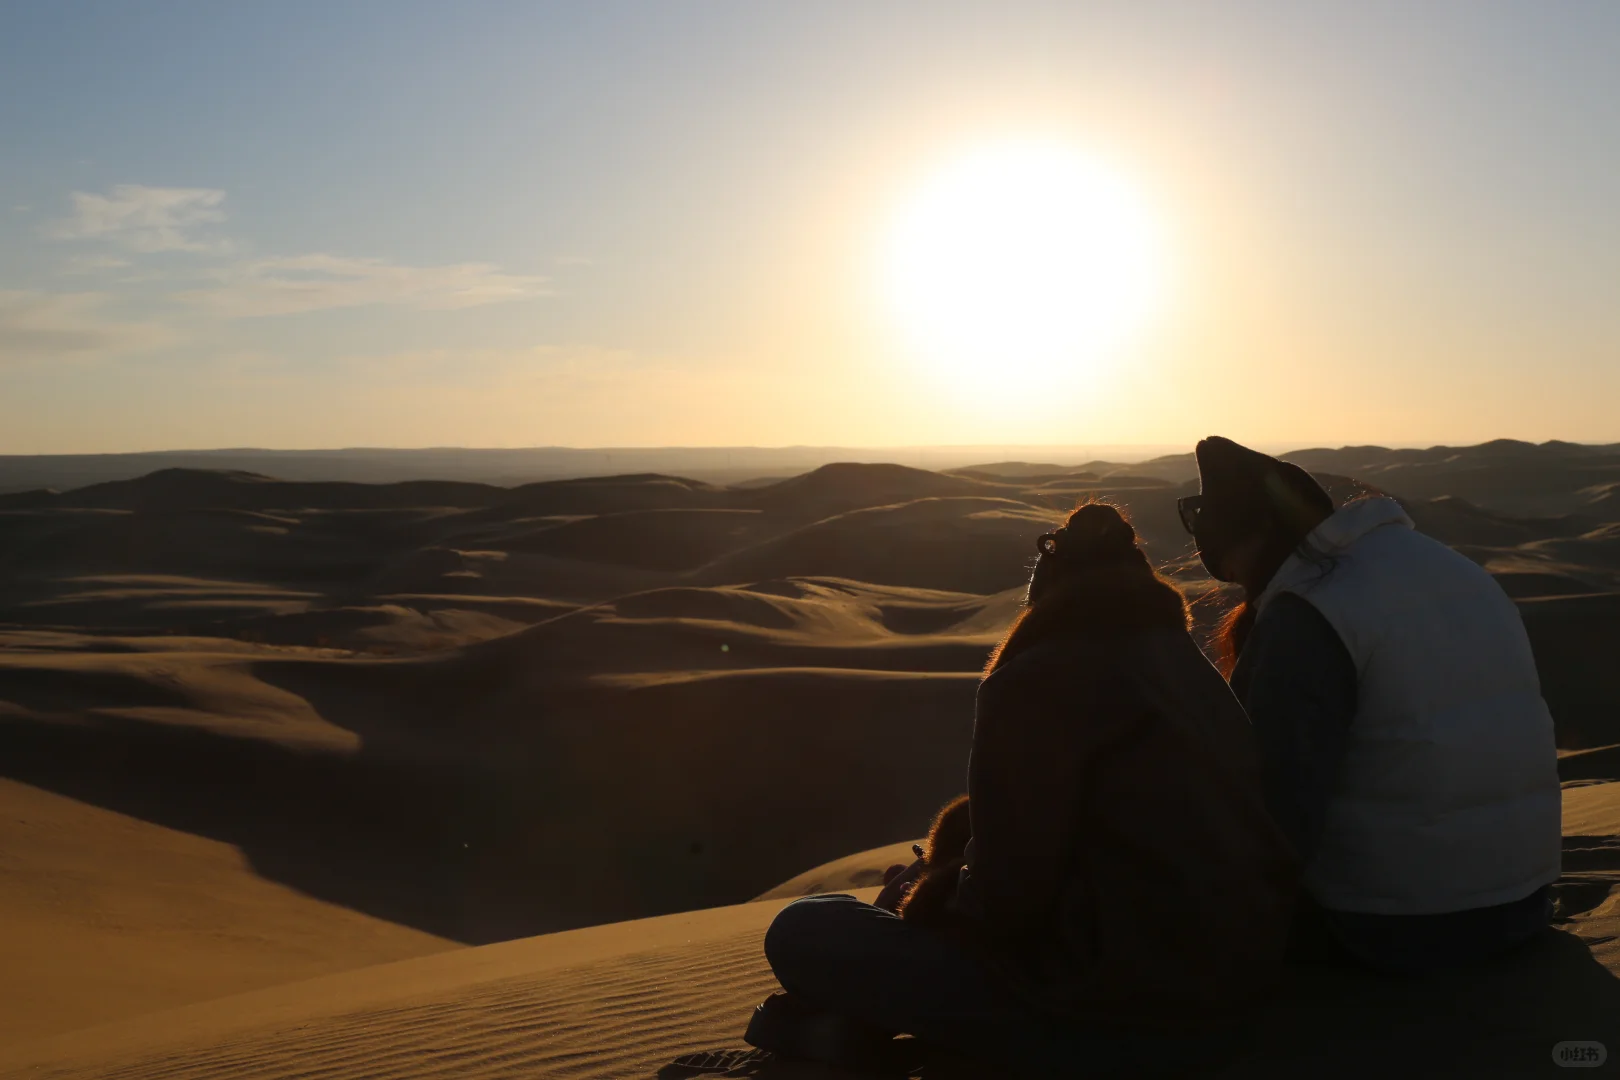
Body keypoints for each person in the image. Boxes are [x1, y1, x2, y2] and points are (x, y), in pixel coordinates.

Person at [749, 502, 1297, 1076]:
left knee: (806, 927)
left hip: (1117, 1005)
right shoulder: (1192, 672)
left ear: (1047, 595)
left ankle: (870, 1022)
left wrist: (929, 895)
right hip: (1236, 984)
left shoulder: (1035, 677)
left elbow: (1007, 901)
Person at [1180, 436, 1561, 975]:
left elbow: (1279, 803)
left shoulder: (1314, 608)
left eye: (1226, 554)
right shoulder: (1452, 569)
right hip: (1523, 901)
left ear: (1255, 536)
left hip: (1396, 922)